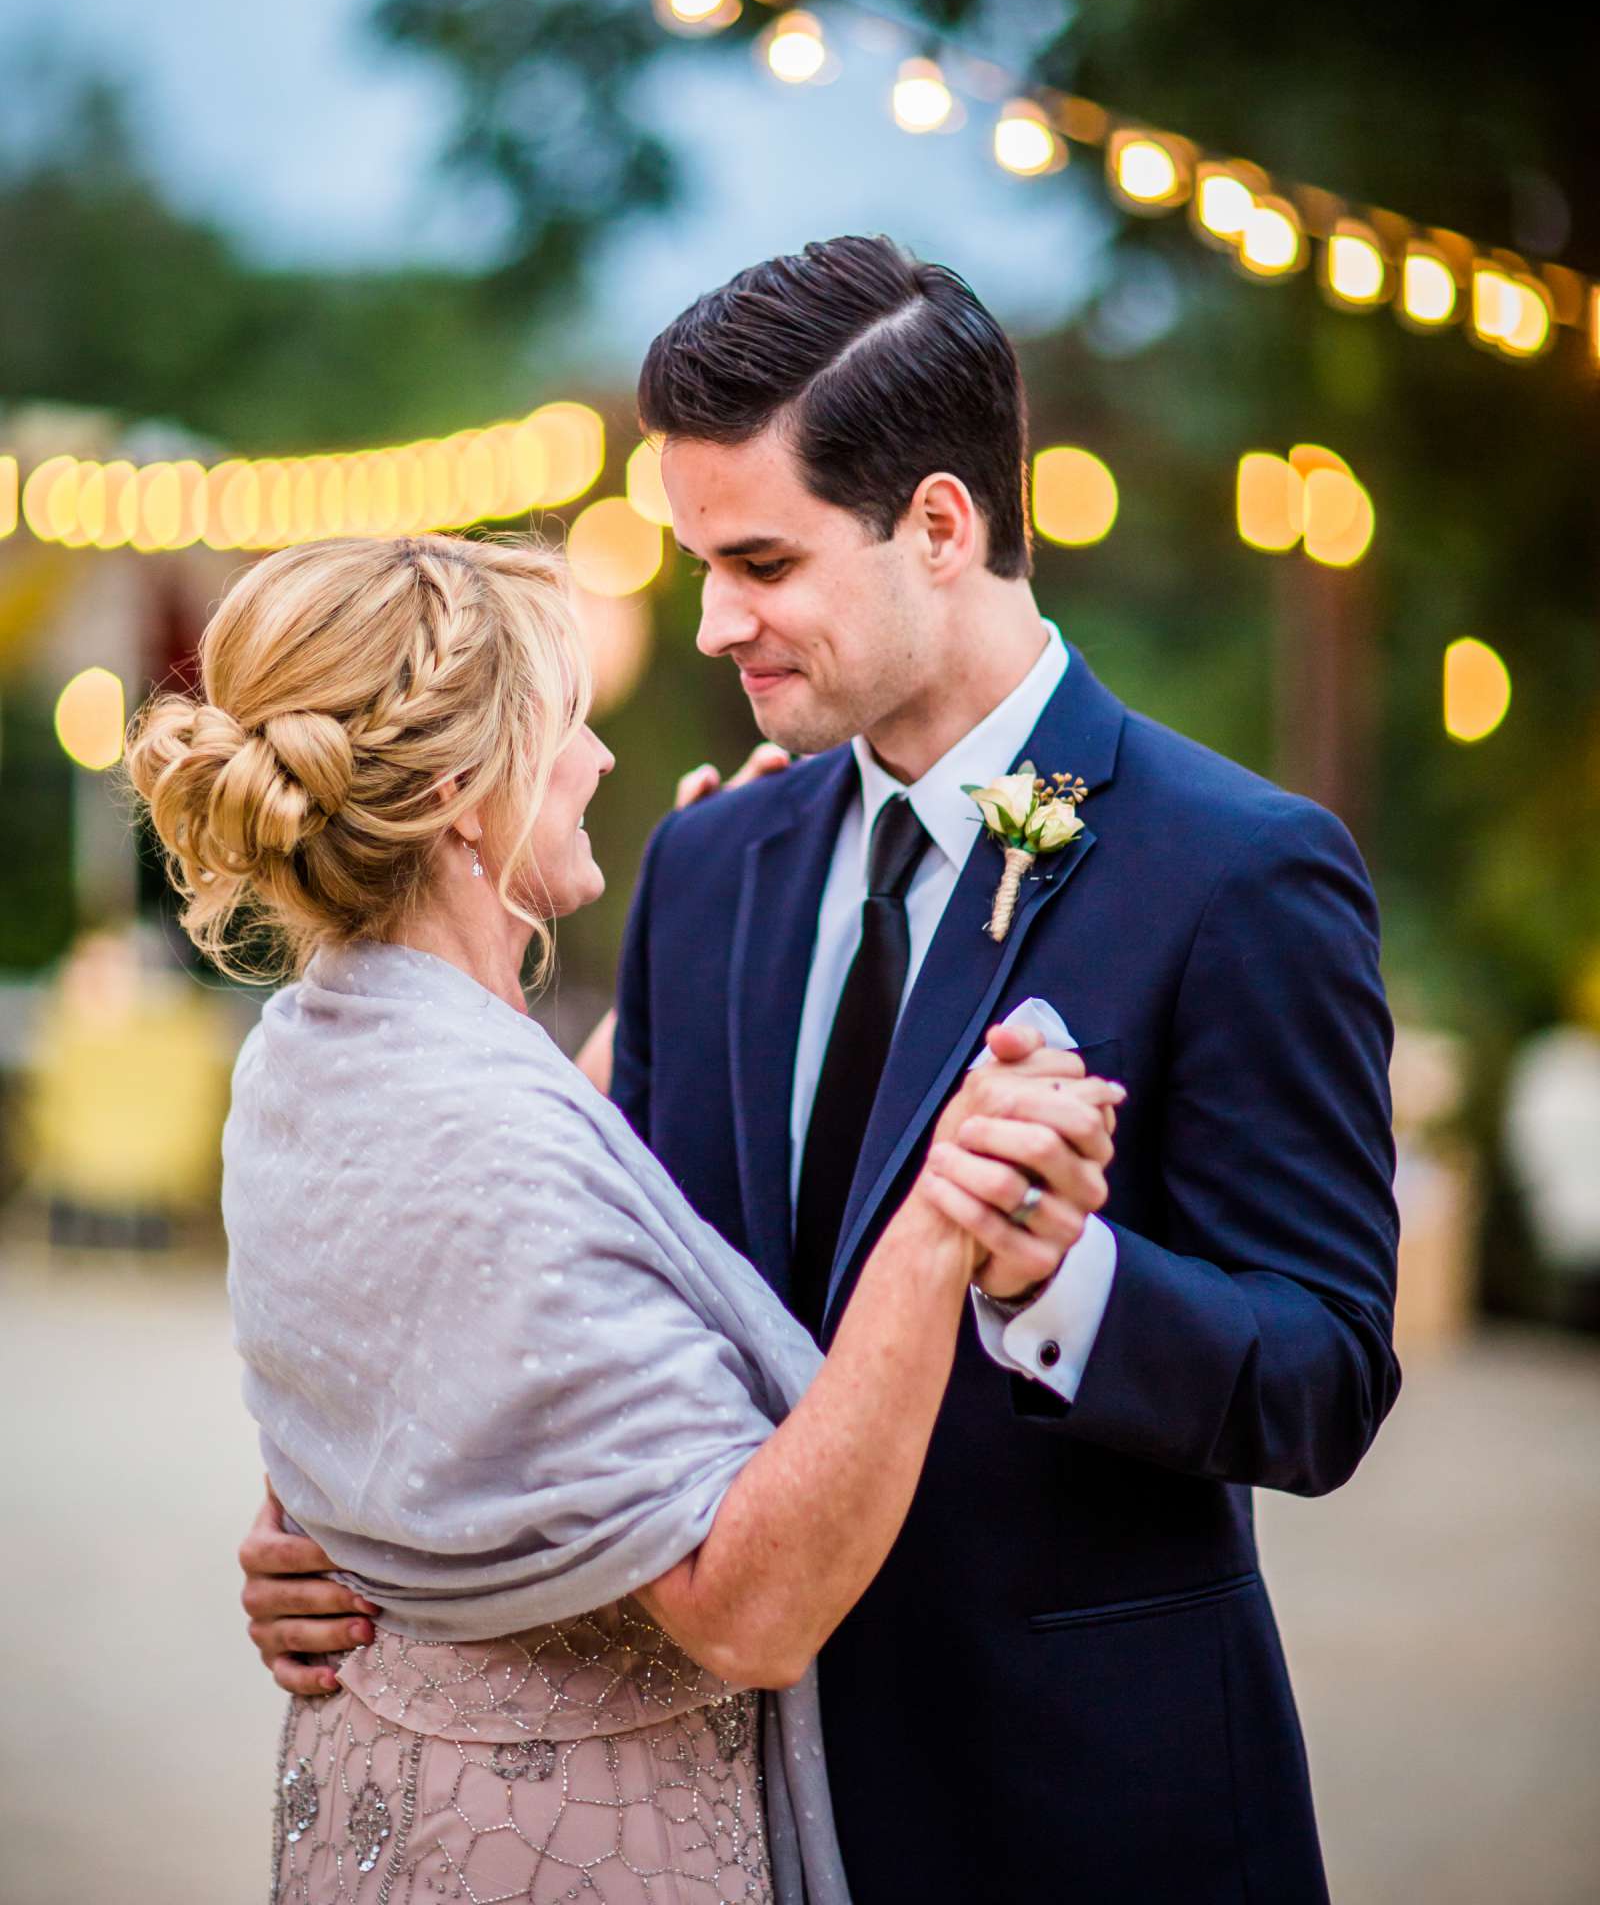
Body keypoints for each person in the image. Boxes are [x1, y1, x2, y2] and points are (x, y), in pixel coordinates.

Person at [242, 233, 1402, 1901]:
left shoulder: (1238, 871)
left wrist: (1065, 1280)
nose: (714, 623)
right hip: (728, 1805)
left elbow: (1326, 1376)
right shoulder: (711, 870)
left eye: (763, 561)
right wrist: (353, 1527)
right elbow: (573, 1295)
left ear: (939, 526)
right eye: (700, 560)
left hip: (1079, 1810)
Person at [130, 530, 1117, 1903]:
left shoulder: (305, 1049)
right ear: (469, 798)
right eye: (572, 723)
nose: (599, 763)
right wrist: (943, 1208)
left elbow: (524, 1207)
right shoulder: (486, 1137)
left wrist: (687, 956)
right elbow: (748, 1607)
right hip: (572, 1843)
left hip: (382, 1795)